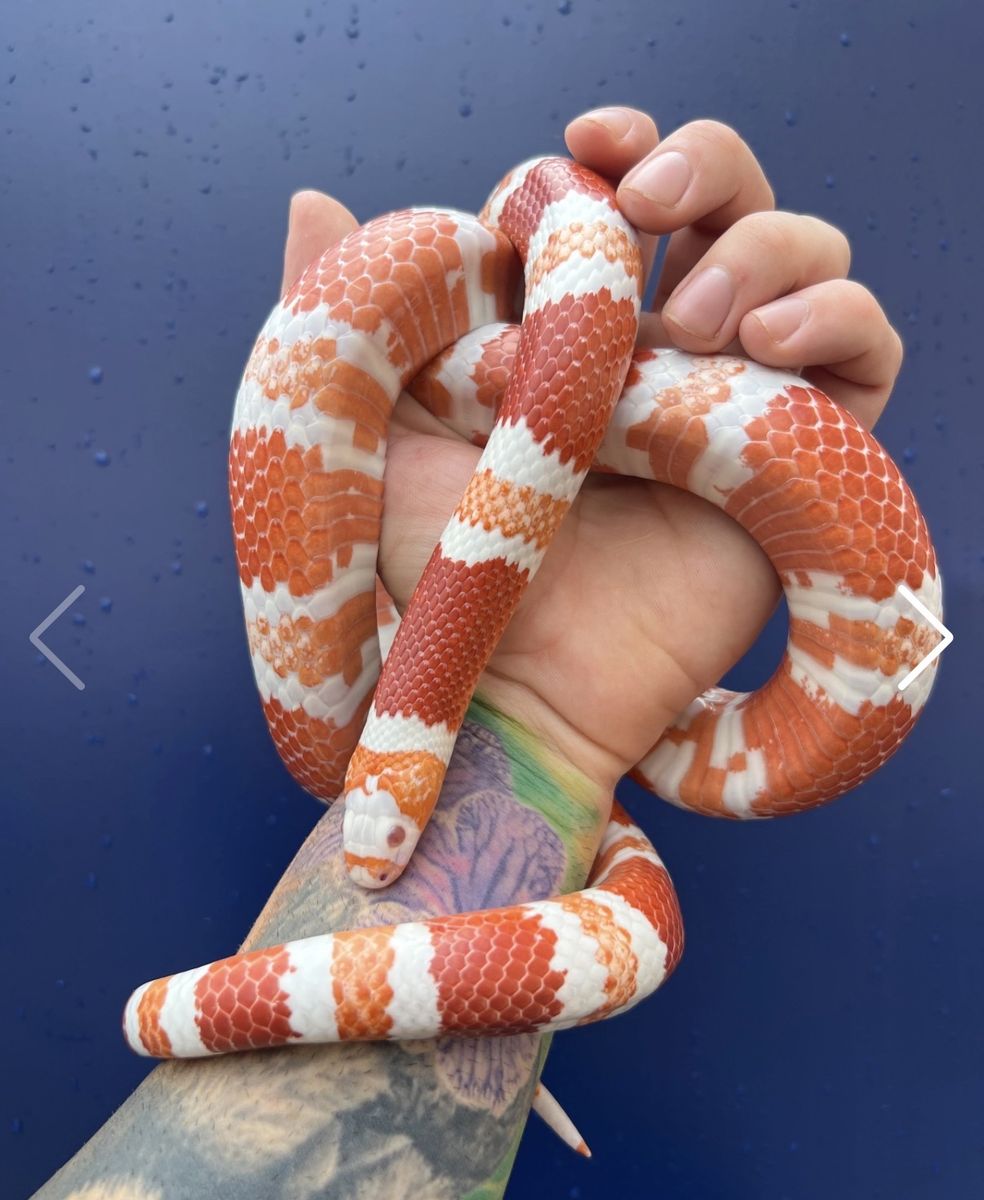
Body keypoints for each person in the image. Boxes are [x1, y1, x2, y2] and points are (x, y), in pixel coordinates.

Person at [35, 106, 903, 1200]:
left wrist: (542, 719)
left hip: (518, 407)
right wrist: (543, 725)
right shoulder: (385, 724)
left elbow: (914, 649)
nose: (381, 860)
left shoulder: (395, 705)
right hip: (477, 559)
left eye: (392, 831)